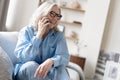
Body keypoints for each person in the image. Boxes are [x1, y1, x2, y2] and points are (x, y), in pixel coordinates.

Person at [13, 1, 70, 80]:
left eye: (58, 16)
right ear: (42, 13)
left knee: (61, 70)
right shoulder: (26, 31)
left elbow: (64, 57)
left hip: (46, 73)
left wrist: (51, 61)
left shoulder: (59, 35)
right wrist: (38, 35)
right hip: (27, 70)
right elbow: (24, 58)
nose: (55, 19)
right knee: (31, 66)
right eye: (52, 14)